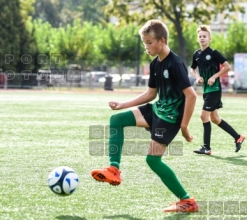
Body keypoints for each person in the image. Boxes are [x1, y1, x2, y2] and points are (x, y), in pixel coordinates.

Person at [91, 19, 199, 213]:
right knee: (117, 120)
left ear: (162, 41)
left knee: (152, 161)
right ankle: (113, 169)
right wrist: (122, 104)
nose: (146, 46)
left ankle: (187, 200)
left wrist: (184, 126)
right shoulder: (155, 64)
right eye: (144, 43)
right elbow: (151, 94)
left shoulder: (175, 63)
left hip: (170, 119)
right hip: (157, 109)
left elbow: (191, 95)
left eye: (149, 42)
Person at [190, 25, 245, 155]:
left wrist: (214, 77)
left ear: (210, 38)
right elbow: (192, 69)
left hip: (214, 89)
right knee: (214, 118)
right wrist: (197, 77)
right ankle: (238, 137)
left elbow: (227, 67)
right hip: (206, 90)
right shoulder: (196, 54)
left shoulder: (214, 53)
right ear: (198, 39)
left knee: (203, 115)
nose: (202, 38)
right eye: (200, 36)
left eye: (205, 36)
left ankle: (206, 147)